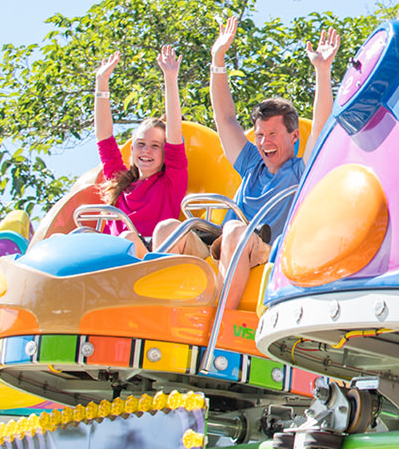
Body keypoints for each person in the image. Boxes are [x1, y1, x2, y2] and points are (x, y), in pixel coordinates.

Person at [208, 16, 339, 312]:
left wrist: (322, 70)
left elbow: (321, 126)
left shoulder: (300, 171)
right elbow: (225, 119)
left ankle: (217, 321)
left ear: (294, 136)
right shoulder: (251, 164)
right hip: (228, 243)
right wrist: (218, 59)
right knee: (167, 228)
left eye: (273, 134)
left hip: (268, 248)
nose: (265, 142)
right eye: (260, 135)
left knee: (234, 232)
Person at [93, 48, 187, 256]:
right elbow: (104, 137)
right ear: (132, 148)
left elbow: (174, 133)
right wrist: (101, 82)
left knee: (127, 239)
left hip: (148, 260)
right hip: (112, 263)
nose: (146, 151)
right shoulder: (120, 182)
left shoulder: (170, 183)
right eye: (141, 144)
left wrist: (170, 79)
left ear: (165, 153)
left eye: (155, 146)